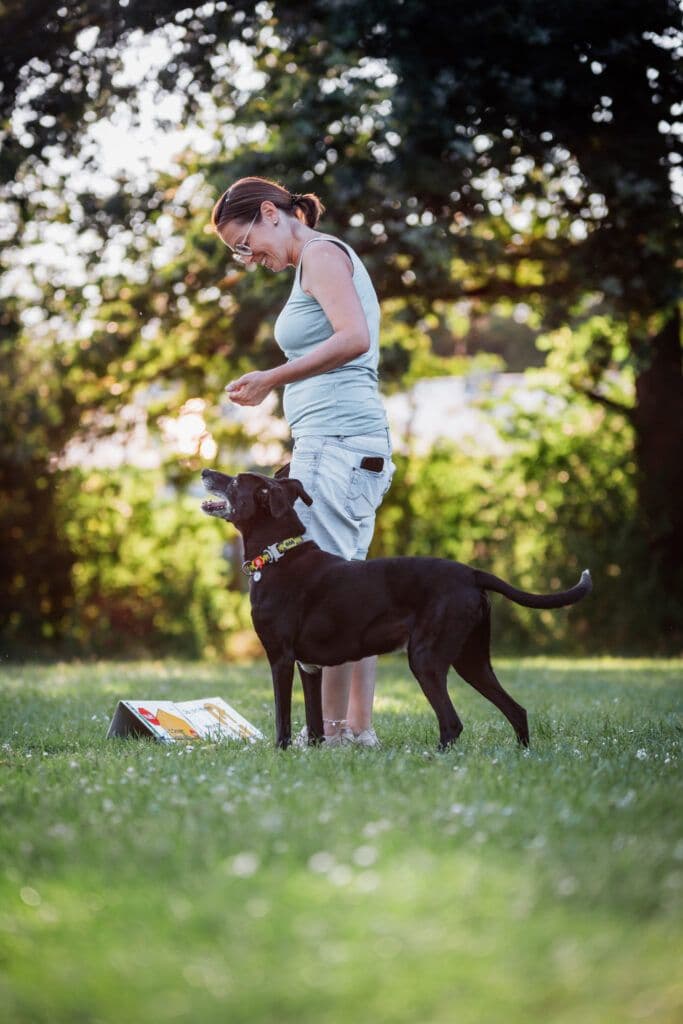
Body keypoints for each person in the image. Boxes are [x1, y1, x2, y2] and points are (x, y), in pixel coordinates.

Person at [211, 176, 395, 747]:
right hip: (334, 442)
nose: (247, 258)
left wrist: (272, 378)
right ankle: (352, 730)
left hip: (341, 441)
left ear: (271, 212)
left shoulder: (319, 256)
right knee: (349, 584)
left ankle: (339, 734)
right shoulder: (314, 263)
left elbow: (353, 338)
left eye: (244, 242)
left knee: (327, 593)